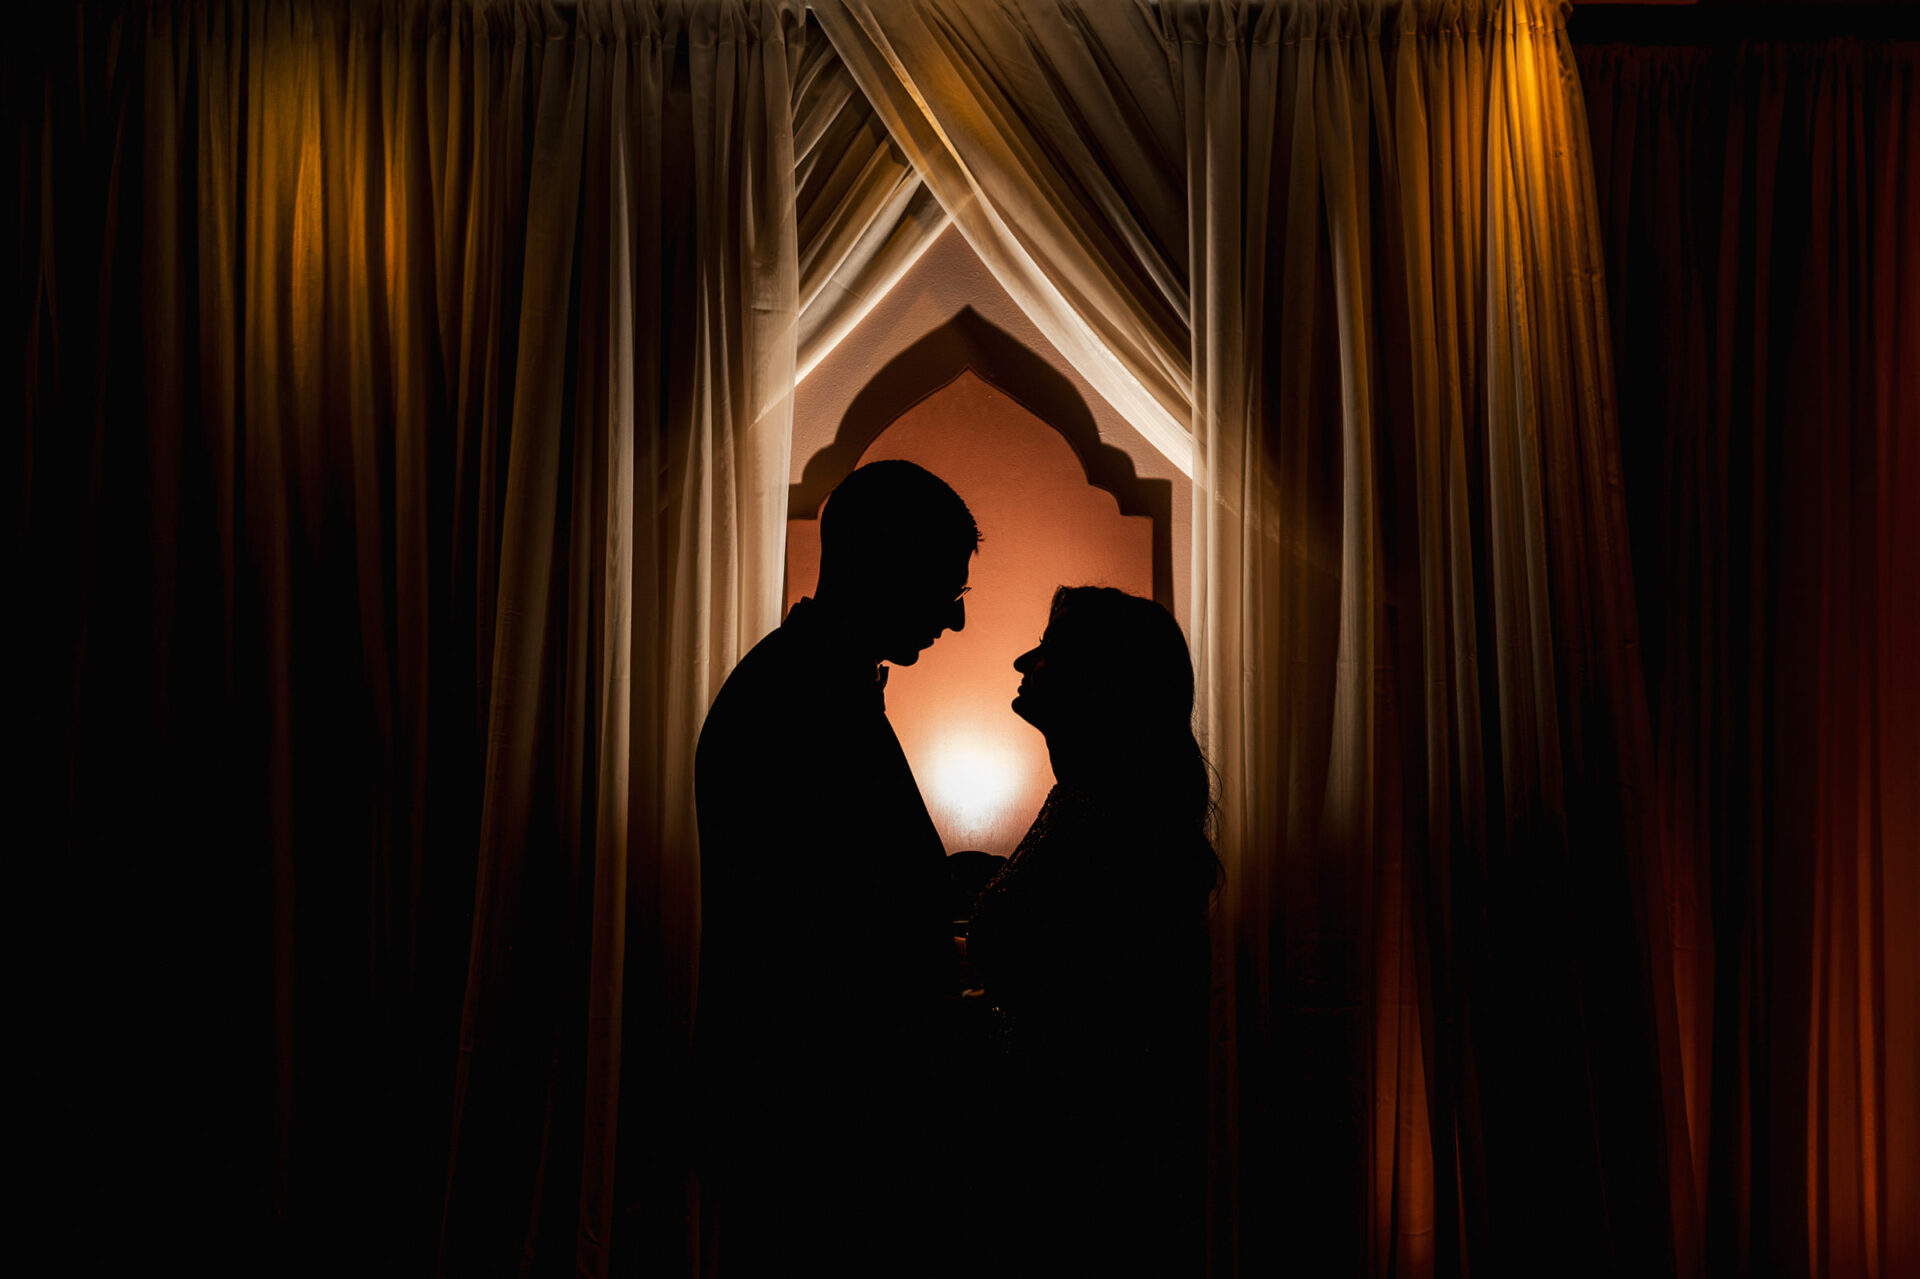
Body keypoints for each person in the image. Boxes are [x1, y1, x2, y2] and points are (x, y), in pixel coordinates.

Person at [693, 460, 978, 1276]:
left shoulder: (805, 683)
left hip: (813, 1116)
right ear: (888, 567)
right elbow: (831, 937)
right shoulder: (798, 704)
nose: (955, 620)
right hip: (817, 1120)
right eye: (944, 588)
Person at [965, 586, 1220, 1276]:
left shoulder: (1098, 819)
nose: (1024, 659)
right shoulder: (1094, 804)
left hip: (1074, 1163)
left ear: (1099, 680)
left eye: (1048, 649)